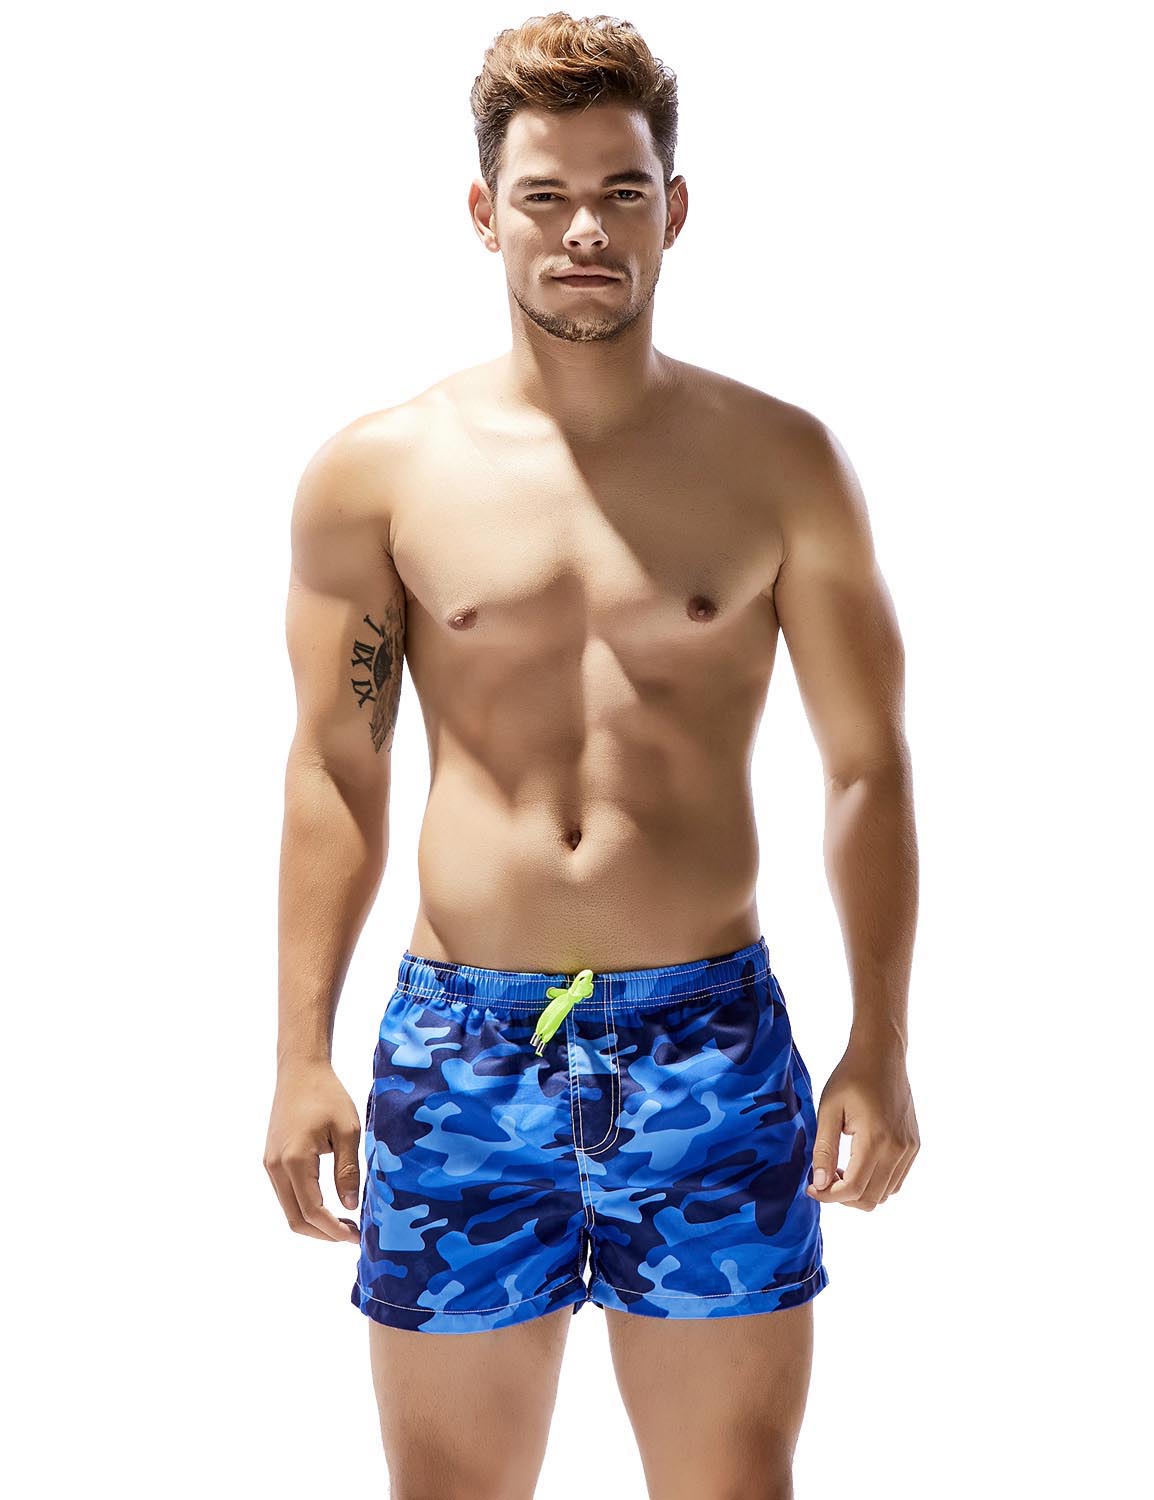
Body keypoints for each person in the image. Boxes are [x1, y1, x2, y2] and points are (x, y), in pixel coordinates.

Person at [264, 12, 920, 1498]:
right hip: (463, 1050)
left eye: (621, 192)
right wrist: (300, 1052)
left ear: (673, 210)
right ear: (482, 210)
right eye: (545, 195)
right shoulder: (378, 474)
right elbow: (334, 767)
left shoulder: (782, 463)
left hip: (707, 1042)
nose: (583, 232)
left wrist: (879, 1040)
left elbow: (865, 765)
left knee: (730, 1483)